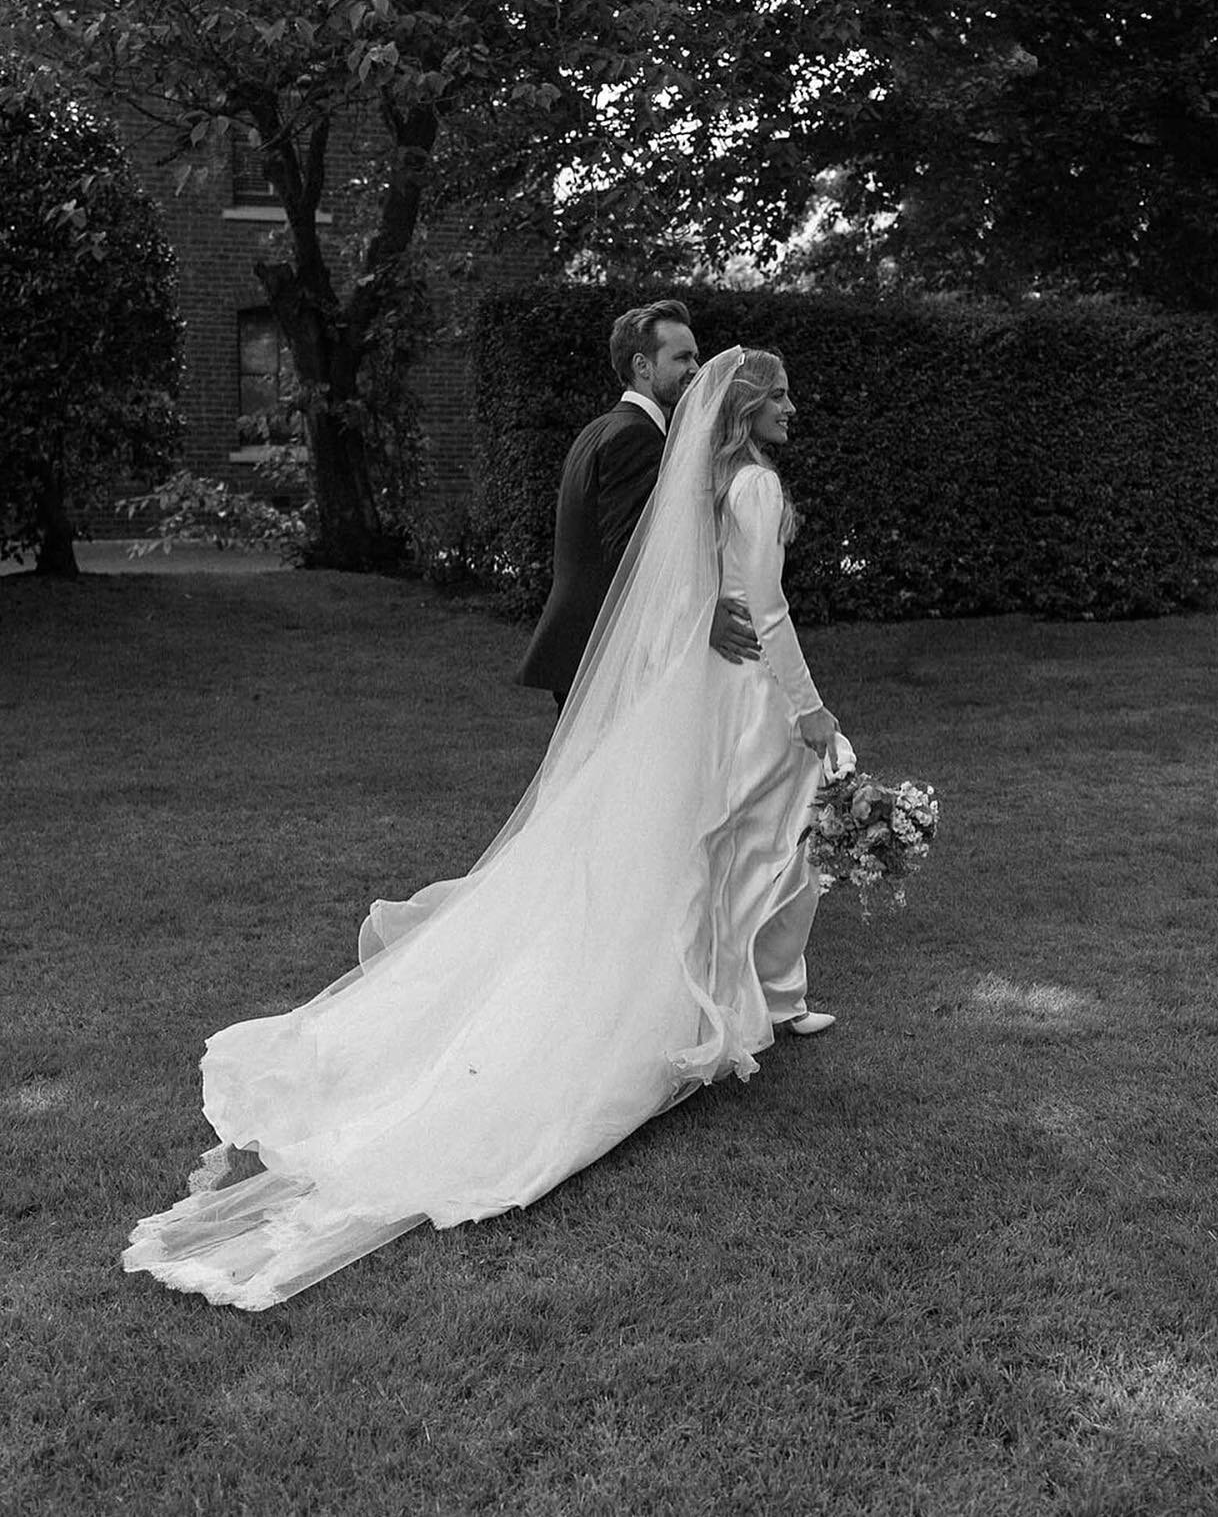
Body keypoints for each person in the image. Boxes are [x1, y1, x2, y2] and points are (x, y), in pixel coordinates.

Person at [121, 347, 845, 1311]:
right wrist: (808, 707)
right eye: (783, 396)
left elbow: (694, 587)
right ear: (748, 410)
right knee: (772, 834)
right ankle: (741, 999)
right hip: (752, 692)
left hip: (709, 686)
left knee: (723, 845)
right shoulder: (751, 485)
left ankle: (742, 996)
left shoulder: (714, 478)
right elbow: (767, 604)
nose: (795, 408)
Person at [517, 299, 759, 708]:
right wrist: (703, 619)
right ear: (642, 366)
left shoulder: (602, 427)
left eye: (696, 356)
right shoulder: (637, 438)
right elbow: (634, 551)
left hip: (581, 643)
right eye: (682, 357)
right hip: (607, 650)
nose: (695, 369)